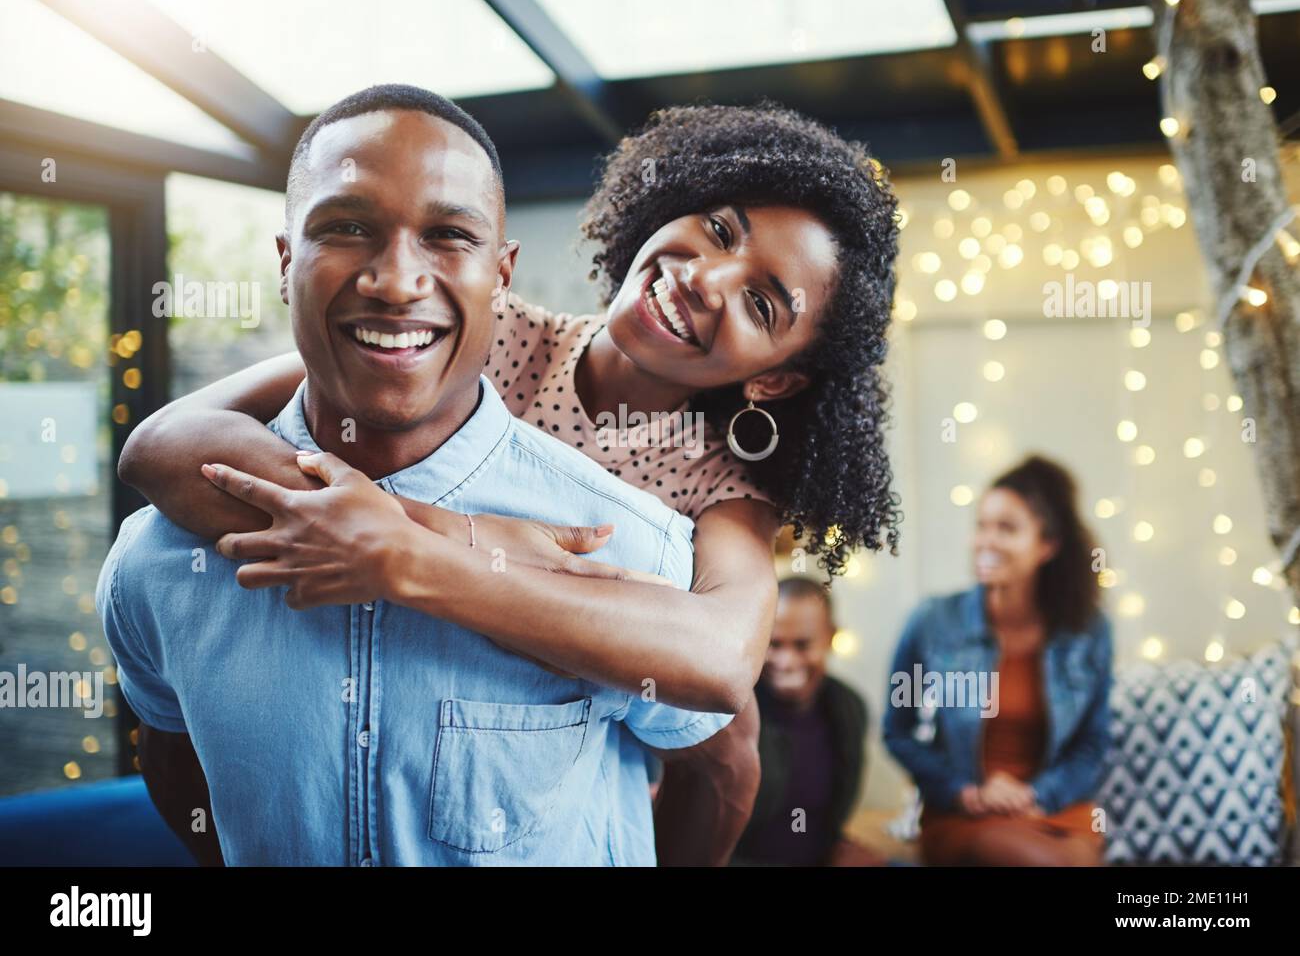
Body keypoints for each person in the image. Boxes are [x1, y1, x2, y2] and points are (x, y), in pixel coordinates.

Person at [96, 86, 757, 866]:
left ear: (500, 275)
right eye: (346, 228)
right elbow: (177, 768)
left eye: (447, 234)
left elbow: (720, 773)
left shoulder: (632, 554)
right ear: (285, 262)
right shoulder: (158, 563)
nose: (395, 279)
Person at [116, 98, 904, 723]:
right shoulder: (486, 331)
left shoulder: (723, 483)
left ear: (776, 381)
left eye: (762, 303)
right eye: (718, 229)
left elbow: (723, 664)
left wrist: (414, 551)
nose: (706, 277)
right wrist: (469, 539)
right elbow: (164, 444)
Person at [883, 455, 1113, 866]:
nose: (985, 541)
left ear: (1047, 545)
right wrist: (965, 790)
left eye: (1006, 528)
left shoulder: (1088, 632)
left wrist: (1036, 795)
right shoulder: (934, 622)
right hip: (964, 812)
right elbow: (897, 731)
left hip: (1051, 809)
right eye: (981, 525)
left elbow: (1092, 744)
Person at [732, 577, 877, 866]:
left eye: (802, 645)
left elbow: (832, 818)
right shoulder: (732, 710)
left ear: (831, 636)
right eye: (774, 644)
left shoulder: (849, 708)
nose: (786, 661)